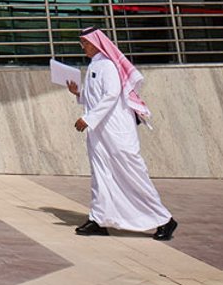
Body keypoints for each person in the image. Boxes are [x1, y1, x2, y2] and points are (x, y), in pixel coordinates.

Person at [68, 28, 177, 241]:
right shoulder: (94, 66)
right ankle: (99, 219)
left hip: (116, 131)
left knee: (132, 173)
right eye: (81, 43)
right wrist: (78, 94)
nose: (83, 47)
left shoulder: (108, 65)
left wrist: (88, 119)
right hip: (100, 133)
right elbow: (95, 97)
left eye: (86, 43)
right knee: (101, 174)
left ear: (97, 43)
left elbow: (111, 95)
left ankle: (164, 220)